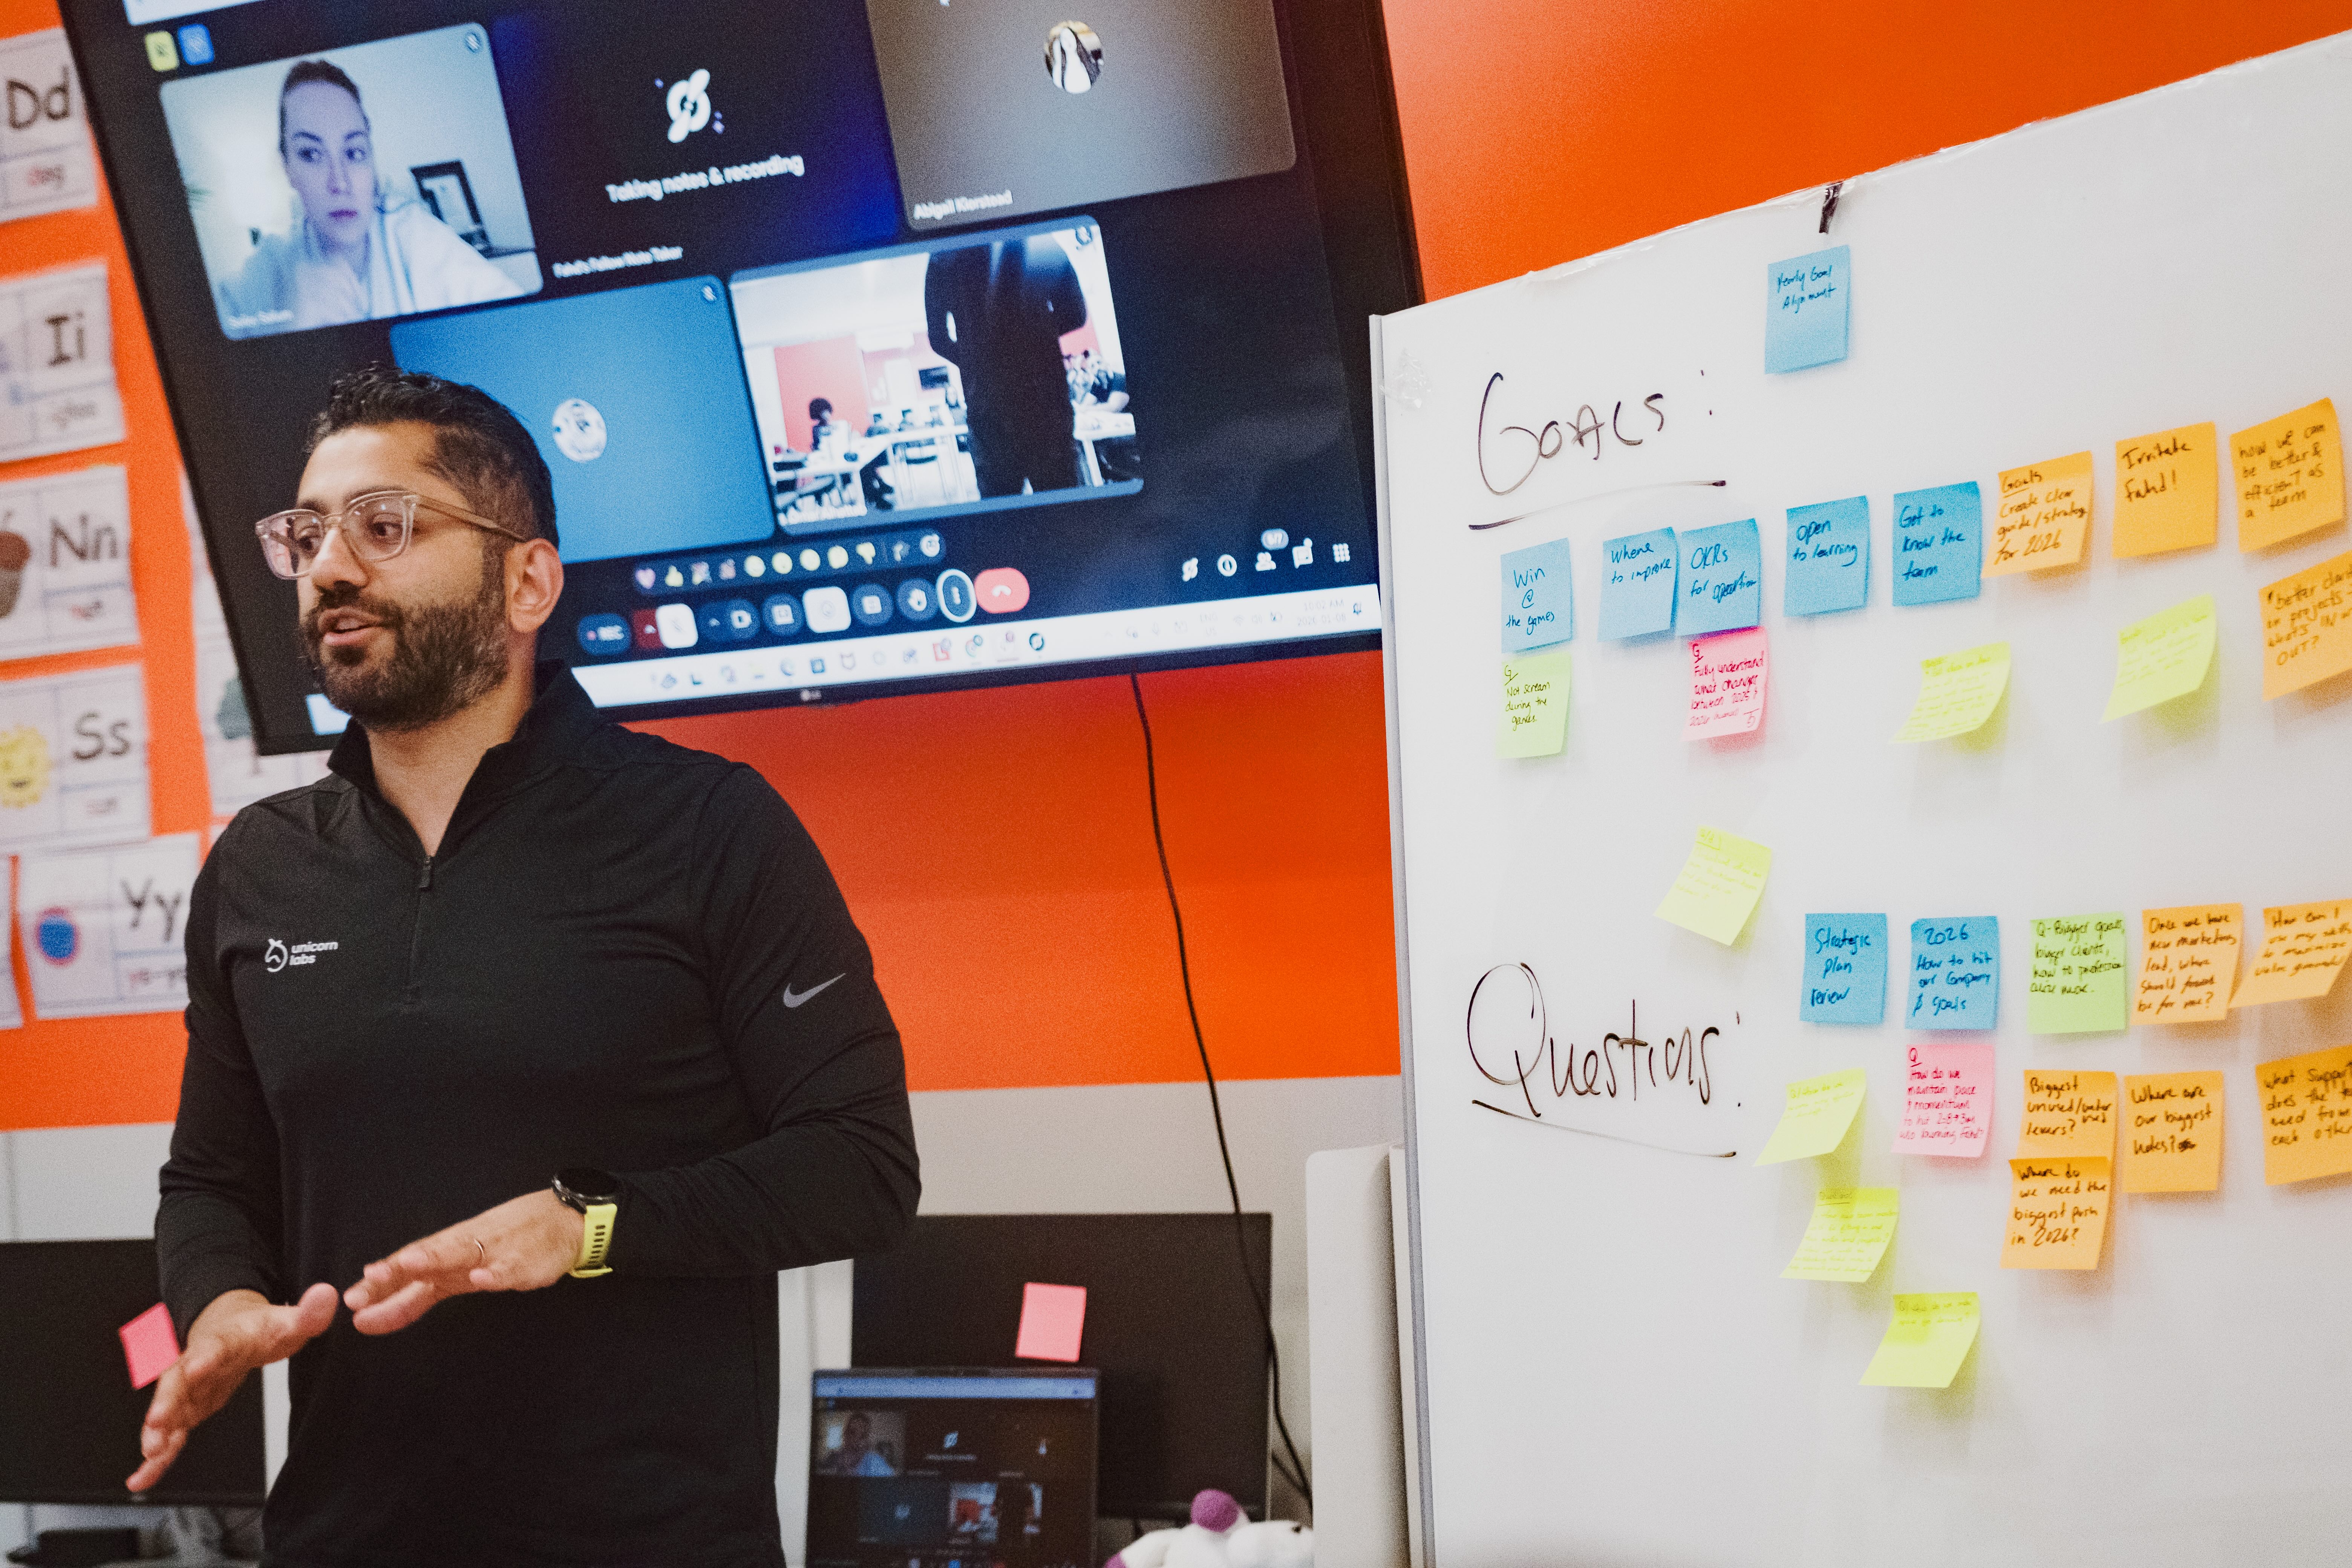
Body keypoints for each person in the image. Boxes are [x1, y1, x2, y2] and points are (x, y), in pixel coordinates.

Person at [133, 366, 919, 1564]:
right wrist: (225, 1306)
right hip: (344, 1540)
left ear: (527, 580)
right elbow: (211, 1181)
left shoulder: (709, 827)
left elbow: (860, 1166)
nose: (331, 567)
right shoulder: (259, 866)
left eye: (385, 526)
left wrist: (587, 1224)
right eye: (307, 534)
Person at [215, 60, 524, 338]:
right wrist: (291, 338)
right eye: (311, 154)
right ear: (288, 169)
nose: (340, 183)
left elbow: (518, 326)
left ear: (372, 160)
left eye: (354, 153)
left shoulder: (414, 234)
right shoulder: (265, 270)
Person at [924, 236, 1088, 498]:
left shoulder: (943, 256)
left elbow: (939, 338)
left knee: (1001, 515)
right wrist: (1034, 341)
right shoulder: (1043, 240)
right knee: (1066, 507)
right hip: (1045, 397)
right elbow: (1076, 314)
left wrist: (978, 359)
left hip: (988, 402)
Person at [820, 1411, 898, 1477]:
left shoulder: (875, 1461)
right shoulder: (836, 1456)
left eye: (863, 1435)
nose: (857, 1439)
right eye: (851, 1432)